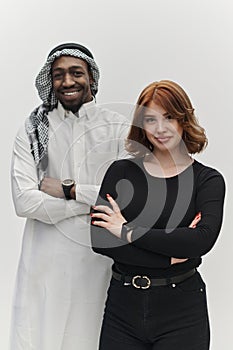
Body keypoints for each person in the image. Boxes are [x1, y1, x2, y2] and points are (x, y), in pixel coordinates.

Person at [10, 42, 130, 350]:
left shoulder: (117, 128)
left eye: (76, 72)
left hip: (100, 261)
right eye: (58, 74)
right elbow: (25, 202)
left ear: (92, 78)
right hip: (45, 261)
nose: (67, 81)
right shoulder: (34, 129)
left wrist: (68, 190)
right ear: (50, 81)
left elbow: (125, 200)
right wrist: (92, 199)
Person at [91, 80, 225, 350]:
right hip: (122, 307)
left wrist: (126, 230)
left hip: (182, 311)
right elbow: (100, 240)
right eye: (150, 119)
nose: (160, 129)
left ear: (184, 119)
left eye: (169, 118)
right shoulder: (120, 173)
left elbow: (201, 240)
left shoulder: (207, 180)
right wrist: (170, 255)